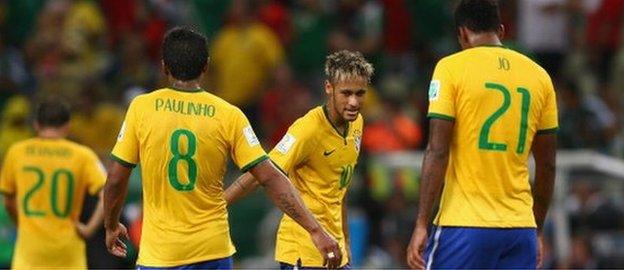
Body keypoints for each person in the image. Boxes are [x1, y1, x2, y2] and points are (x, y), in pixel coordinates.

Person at [103, 27, 342, 269]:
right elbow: (270, 177)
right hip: (212, 251)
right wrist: (316, 230)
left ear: (164, 67)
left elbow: (114, 179)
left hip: (160, 255)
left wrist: (111, 225)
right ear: (206, 66)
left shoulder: (142, 108)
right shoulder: (229, 115)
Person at [406, 0, 558, 269]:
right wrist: (536, 229)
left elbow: (437, 150)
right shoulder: (539, 76)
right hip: (520, 227)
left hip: (464, 224)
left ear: (462, 33)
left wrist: (421, 223)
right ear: (501, 29)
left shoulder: (450, 67)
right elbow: (547, 164)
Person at [225, 50, 373, 269]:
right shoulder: (307, 129)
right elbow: (262, 172)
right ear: (329, 88)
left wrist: (347, 243)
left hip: (336, 251)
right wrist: (219, 205)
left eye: (359, 94)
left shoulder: (357, 123)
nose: (353, 102)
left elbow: (340, 191)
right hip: (303, 250)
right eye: (346, 93)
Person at [0, 99, 106, 269]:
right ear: (67, 126)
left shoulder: (17, 152)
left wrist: (22, 223)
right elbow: (107, 194)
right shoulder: (83, 155)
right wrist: (89, 229)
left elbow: (8, 201)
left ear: (36, 124)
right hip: (68, 253)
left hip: (29, 254)